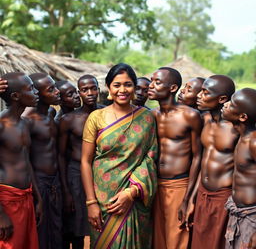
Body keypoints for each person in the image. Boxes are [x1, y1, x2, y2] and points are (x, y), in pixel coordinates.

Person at [81, 63, 158, 248]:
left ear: (134, 87)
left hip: (134, 199)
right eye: (117, 85)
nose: (122, 90)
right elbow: (85, 161)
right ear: (109, 87)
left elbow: (150, 157)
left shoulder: (147, 118)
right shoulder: (96, 117)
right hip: (102, 198)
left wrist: (131, 193)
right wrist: (91, 203)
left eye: (128, 84)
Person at [148, 67, 202, 249]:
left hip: (179, 184)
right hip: (155, 184)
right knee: (158, 238)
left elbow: (197, 157)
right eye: (151, 80)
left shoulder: (190, 116)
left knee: (177, 237)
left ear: (172, 88)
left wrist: (188, 198)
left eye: (157, 82)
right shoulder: (152, 115)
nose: (151, 86)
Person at [190, 75, 239, 249]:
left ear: (222, 99)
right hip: (203, 194)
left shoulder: (236, 128)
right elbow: (202, 162)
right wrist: (191, 199)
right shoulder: (204, 120)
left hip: (224, 198)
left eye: (205, 92)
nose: (199, 95)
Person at [58, 75, 103, 249]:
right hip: (76, 173)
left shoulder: (107, 114)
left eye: (93, 88)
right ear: (80, 93)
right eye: (85, 90)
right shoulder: (69, 120)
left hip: (100, 171)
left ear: (99, 89)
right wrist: (66, 191)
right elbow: (61, 156)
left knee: (100, 221)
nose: (90, 93)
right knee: (76, 226)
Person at [0, 72, 42, 249]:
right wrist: (0, 214)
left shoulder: (24, 123)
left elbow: (26, 162)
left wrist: (37, 198)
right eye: (31, 88)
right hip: (6, 201)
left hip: (26, 197)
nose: (36, 92)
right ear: (16, 96)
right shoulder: (1, 125)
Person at [22, 73, 62, 249]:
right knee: (41, 235)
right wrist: (36, 196)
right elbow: (25, 160)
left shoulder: (52, 112)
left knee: (57, 232)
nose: (57, 91)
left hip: (55, 182)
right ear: (37, 93)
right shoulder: (27, 120)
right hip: (39, 183)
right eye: (51, 89)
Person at [221, 88, 256, 249]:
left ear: (242, 117)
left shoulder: (253, 143)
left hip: (251, 217)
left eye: (232, 104)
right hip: (237, 211)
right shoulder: (240, 136)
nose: (226, 104)